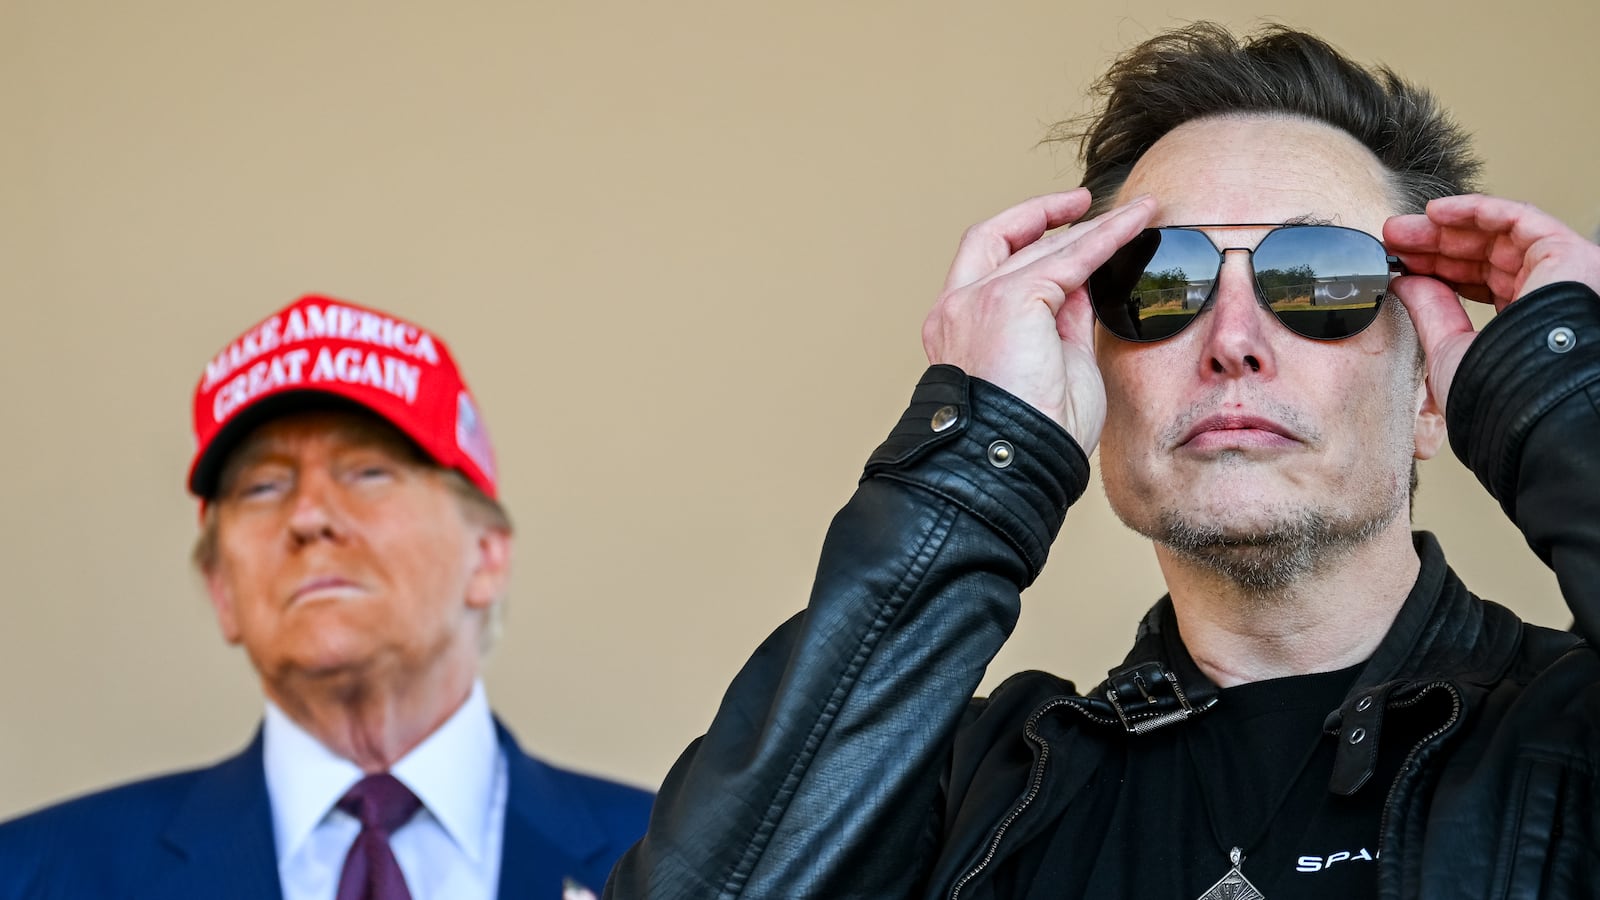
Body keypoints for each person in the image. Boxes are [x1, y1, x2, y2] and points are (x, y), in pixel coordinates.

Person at [606, 23, 1600, 899]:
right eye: (1158, 283)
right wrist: (983, 453)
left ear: (1428, 389)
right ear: (1092, 379)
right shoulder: (968, 794)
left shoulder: (1571, 737)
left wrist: (1567, 398)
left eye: (1322, 277)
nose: (1234, 340)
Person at [0, 294, 652, 899]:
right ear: (220, 588)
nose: (309, 515)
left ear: (486, 556)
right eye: (262, 486)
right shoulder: (35, 874)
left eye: (368, 472)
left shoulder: (684, 862)